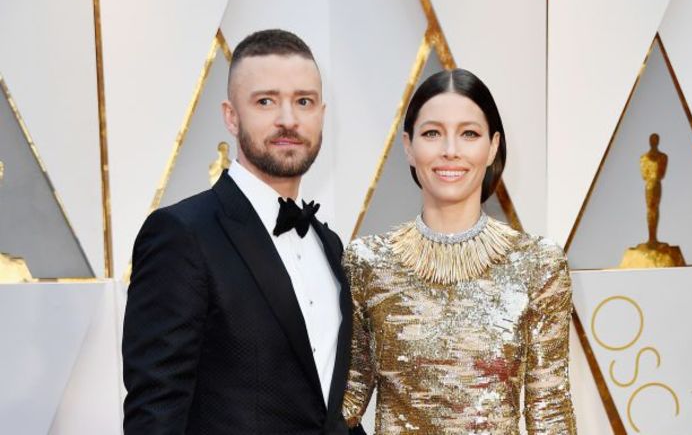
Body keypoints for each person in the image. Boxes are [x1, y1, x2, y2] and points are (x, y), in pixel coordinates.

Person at [122, 29, 353, 434]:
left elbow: (329, 413)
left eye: (304, 101)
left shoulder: (329, 245)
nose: (288, 119)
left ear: (321, 113)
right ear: (231, 116)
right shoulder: (181, 235)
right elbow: (155, 412)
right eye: (266, 101)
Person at [341, 69, 577, 434]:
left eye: (469, 134)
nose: (450, 151)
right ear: (408, 146)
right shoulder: (368, 263)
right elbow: (346, 401)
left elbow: (550, 412)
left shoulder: (537, 264)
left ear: (493, 146)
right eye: (432, 133)